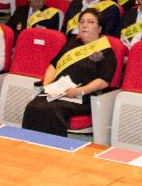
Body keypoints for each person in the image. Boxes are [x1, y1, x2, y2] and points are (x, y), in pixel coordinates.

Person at [21, 9, 117, 137]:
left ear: (99, 28)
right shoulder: (72, 43)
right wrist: (47, 85)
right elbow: (54, 65)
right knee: (32, 107)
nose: (84, 25)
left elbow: (103, 81)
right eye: (82, 22)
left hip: (83, 97)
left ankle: (55, 147)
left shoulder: (106, 52)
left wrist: (80, 91)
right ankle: (30, 144)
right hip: (57, 92)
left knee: (52, 110)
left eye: (90, 22)